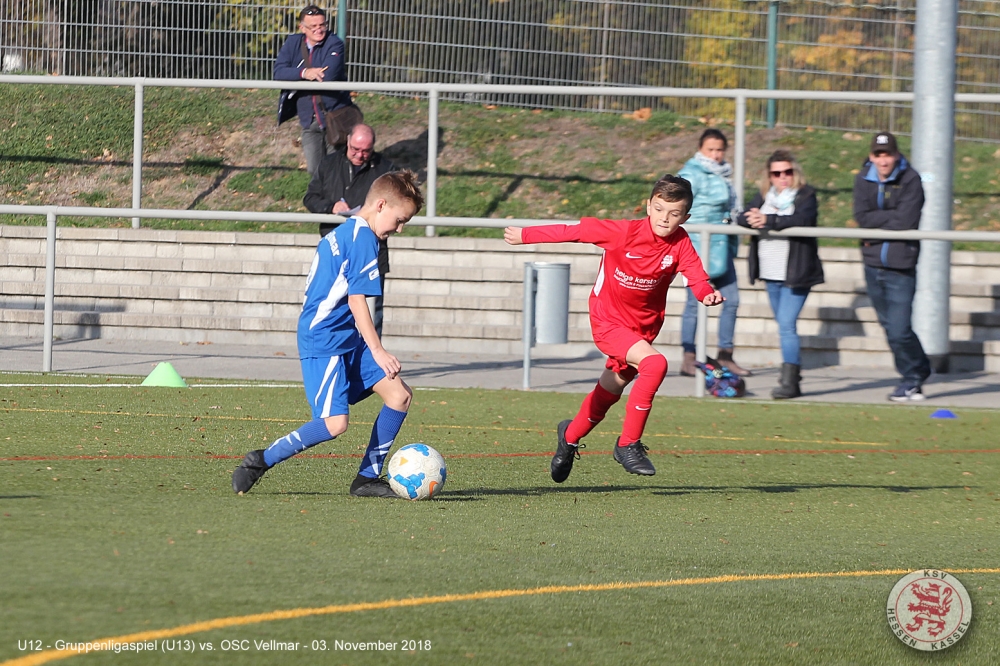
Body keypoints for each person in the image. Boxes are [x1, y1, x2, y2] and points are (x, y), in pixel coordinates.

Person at [504, 175, 724, 481]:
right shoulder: (623, 232)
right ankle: (627, 444)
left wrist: (706, 293)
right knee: (655, 363)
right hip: (608, 321)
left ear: (685, 217)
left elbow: (696, 276)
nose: (664, 218)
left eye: (674, 213)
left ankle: (569, 437)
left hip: (643, 329)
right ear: (648, 206)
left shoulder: (681, 242)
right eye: (659, 209)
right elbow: (575, 232)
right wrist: (525, 235)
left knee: (610, 390)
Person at [232, 171, 425, 496]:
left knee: (399, 396)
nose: (399, 228)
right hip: (324, 338)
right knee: (335, 424)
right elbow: (356, 300)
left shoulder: (347, 230)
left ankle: (366, 478)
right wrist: (378, 350)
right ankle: (261, 460)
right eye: (400, 220)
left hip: (346, 336)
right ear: (381, 205)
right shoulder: (364, 239)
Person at [737, 150, 824, 399]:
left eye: (787, 171)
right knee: (783, 324)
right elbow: (744, 216)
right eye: (776, 173)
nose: (782, 177)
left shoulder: (806, 195)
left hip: (797, 271)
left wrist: (768, 220)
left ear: (795, 172)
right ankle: (792, 377)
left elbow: (803, 219)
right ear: (769, 176)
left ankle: (790, 382)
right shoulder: (765, 195)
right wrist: (752, 219)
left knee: (786, 325)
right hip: (770, 271)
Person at [853, 131, 931, 402]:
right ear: (872, 156)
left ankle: (912, 379)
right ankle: (918, 370)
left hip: (900, 265)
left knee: (899, 330)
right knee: (890, 327)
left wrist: (878, 222)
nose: (883, 160)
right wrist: (888, 219)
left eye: (888, 155)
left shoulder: (911, 179)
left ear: (896, 155)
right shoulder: (863, 179)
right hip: (872, 263)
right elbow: (861, 217)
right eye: (878, 155)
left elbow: (906, 221)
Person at [304, 124, 396, 335]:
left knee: (372, 313)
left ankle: (371, 354)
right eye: (355, 149)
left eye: (366, 151)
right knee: (331, 308)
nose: (360, 155)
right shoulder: (328, 164)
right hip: (335, 248)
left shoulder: (385, 170)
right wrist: (331, 207)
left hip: (370, 251)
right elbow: (310, 198)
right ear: (347, 141)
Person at [677, 129, 749, 378]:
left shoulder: (723, 174)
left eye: (720, 150)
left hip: (722, 245)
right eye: (711, 149)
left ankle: (725, 356)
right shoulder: (691, 174)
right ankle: (689, 357)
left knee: (732, 300)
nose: (716, 154)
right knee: (694, 304)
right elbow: (679, 206)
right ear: (700, 149)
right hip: (698, 247)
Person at [274, 5, 353, 177]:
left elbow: (328, 75)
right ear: (302, 28)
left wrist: (295, 75)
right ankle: (322, 195)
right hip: (308, 120)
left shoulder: (335, 43)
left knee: (336, 170)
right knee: (315, 172)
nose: (319, 29)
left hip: (336, 117)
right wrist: (304, 73)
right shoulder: (293, 43)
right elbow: (278, 72)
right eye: (313, 26)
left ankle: (339, 194)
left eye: (322, 25)